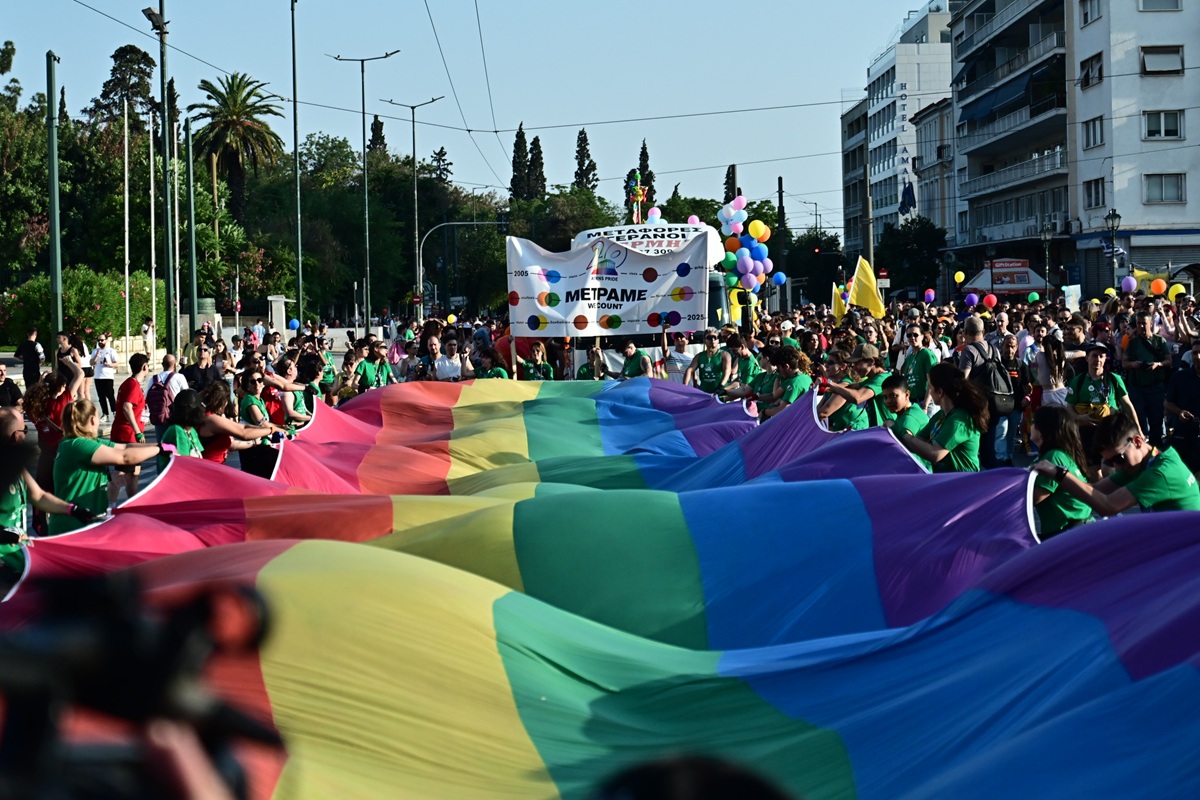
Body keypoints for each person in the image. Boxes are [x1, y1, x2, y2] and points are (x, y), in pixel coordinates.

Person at [0, 410, 103, 582]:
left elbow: (39, 496)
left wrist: (72, 509)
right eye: (25, 430)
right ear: (15, 436)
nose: (26, 435)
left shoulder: (14, 469)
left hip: (20, 560)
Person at [1032, 411, 1200, 514]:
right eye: (1110, 463)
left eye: (1119, 458)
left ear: (1137, 441)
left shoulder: (1159, 473)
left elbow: (1109, 506)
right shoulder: (1144, 463)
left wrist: (1061, 474)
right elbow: (1094, 491)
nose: (1118, 467)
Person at [50, 399, 162, 534]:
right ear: (92, 420)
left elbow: (124, 446)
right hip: (73, 526)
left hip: (83, 523)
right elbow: (124, 457)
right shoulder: (78, 445)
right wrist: (160, 450)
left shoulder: (85, 442)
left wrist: (159, 445)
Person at [894, 363, 989, 473]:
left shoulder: (960, 420)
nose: (929, 391)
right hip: (946, 481)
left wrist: (901, 432)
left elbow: (935, 453)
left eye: (930, 386)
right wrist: (893, 431)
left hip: (963, 484)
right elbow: (917, 442)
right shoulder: (941, 415)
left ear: (939, 392)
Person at [1065, 343, 1139, 479]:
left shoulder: (1113, 379)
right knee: (1093, 473)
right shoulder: (1078, 381)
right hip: (1087, 433)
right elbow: (1069, 408)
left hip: (1110, 431)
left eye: (1101, 356)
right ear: (1087, 358)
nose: (1097, 360)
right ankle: (1100, 497)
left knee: (1109, 469)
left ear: (1105, 359)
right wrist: (1080, 418)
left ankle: (1113, 497)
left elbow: (1128, 406)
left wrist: (1138, 431)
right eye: (1094, 356)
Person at [1028, 405, 1093, 538]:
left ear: (1042, 430)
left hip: (1070, 533)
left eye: (1035, 422)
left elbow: (1033, 497)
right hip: (1078, 529)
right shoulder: (1061, 454)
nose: (1031, 425)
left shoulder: (1054, 457)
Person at [1122, 310, 1172, 447]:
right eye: (1138, 324)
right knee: (1139, 418)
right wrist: (1134, 364)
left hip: (1155, 386)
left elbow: (1169, 361)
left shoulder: (1159, 341)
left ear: (1150, 323)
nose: (1141, 327)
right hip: (1137, 386)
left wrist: (1158, 364)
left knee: (1156, 418)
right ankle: (1142, 445)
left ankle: (1157, 447)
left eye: (1144, 323)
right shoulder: (1133, 343)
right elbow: (1124, 362)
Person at [818, 343, 892, 429]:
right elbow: (848, 387)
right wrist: (821, 387)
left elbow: (858, 397)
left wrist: (829, 383)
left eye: (857, 363)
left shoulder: (882, 379)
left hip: (889, 432)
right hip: (879, 431)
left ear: (871, 361)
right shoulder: (871, 379)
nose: (854, 368)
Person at [110, 353, 151, 499]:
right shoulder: (132, 385)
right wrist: (137, 431)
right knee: (121, 472)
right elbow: (127, 407)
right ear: (144, 367)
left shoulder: (130, 383)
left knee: (134, 471)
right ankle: (109, 506)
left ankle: (132, 502)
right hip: (127, 435)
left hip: (130, 433)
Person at [995, 333, 1033, 467]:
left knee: (1011, 434)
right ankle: (1000, 459)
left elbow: (1028, 385)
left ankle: (1008, 458)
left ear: (1017, 348)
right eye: (1007, 346)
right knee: (1001, 431)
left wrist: (1027, 397)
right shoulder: (996, 365)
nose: (1009, 350)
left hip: (1016, 406)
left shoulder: (1021, 365)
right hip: (1000, 406)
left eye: (1012, 347)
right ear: (1002, 346)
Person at [1165, 339, 1200, 471]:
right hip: (1184, 436)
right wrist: (1179, 412)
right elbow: (1167, 403)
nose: (1198, 357)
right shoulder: (1179, 377)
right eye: (1195, 353)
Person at [156, 390, 208, 473]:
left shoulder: (191, 431)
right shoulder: (177, 431)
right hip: (176, 480)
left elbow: (199, 456)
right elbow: (185, 463)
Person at [761, 347, 812, 420]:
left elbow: (782, 410)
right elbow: (774, 395)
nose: (777, 371)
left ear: (786, 366)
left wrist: (764, 412)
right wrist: (757, 397)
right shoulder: (803, 377)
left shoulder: (793, 384)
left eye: (778, 369)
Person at [149, 355, 189, 444]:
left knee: (162, 445)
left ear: (163, 365)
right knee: (175, 445)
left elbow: (148, 397)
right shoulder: (179, 377)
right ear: (174, 365)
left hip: (159, 416)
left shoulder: (154, 379)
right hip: (174, 416)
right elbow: (187, 396)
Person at [899, 324, 938, 412]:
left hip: (925, 401)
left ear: (922, 336)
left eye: (915, 335)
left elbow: (932, 380)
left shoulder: (926, 354)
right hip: (913, 402)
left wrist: (925, 404)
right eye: (909, 335)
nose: (912, 337)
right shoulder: (910, 356)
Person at [880, 372, 928, 439]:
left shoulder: (909, 418)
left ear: (907, 395)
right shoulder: (913, 409)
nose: (888, 401)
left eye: (893, 396)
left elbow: (906, 443)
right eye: (885, 397)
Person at [684, 329, 732, 393]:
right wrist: (684, 387)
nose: (712, 340)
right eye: (709, 338)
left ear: (718, 340)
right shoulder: (699, 356)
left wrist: (721, 386)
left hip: (720, 392)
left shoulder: (725, 355)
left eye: (715, 337)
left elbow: (727, 371)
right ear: (704, 340)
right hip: (705, 393)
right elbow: (689, 370)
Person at [90, 334, 119, 421]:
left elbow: (116, 364)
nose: (100, 342)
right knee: (101, 396)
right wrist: (96, 356)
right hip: (98, 376)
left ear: (106, 340)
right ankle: (105, 414)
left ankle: (114, 411)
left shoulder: (111, 351)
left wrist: (109, 364)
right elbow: (91, 363)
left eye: (102, 340)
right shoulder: (95, 351)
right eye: (98, 340)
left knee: (110, 395)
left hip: (108, 376)